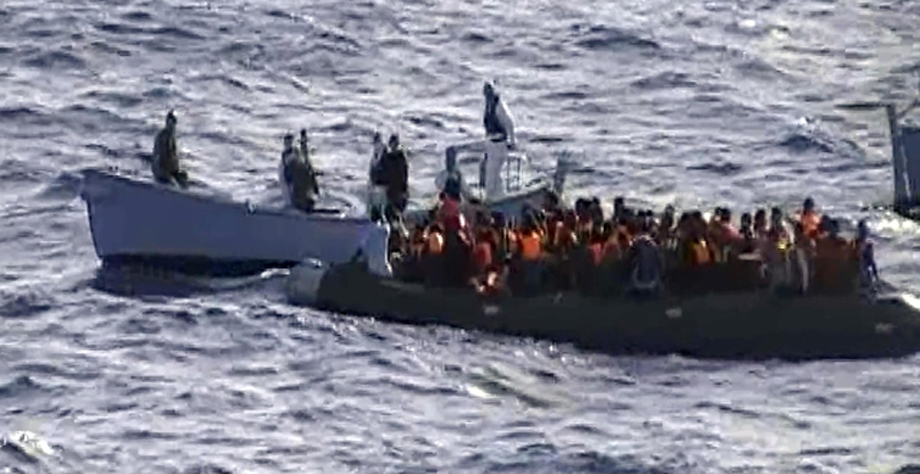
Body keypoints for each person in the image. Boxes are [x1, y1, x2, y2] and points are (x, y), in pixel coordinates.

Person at [481, 81, 516, 200]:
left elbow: (509, 122)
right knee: (494, 174)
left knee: (491, 176)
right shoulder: (488, 105)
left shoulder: (499, 106)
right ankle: (499, 196)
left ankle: (491, 198)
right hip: (491, 144)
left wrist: (512, 141)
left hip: (499, 144)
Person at [279, 133, 317, 212]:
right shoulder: (287, 159)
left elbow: (307, 166)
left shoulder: (297, 156)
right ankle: (301, 204)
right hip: (295, 197)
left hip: (302, 195)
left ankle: (305, 203)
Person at [152, 110, 188, 187]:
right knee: (172, 184)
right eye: (171, 122)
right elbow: (162, 155)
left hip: (170, 169)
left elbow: (173, 154)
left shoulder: (172, 137)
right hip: (161, 169)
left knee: (183, 177)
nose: (173, 125)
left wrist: (176, 169)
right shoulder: (163, 135)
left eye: (174, 122)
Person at [379, 134, 409, 215]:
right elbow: (381, 171)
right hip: (390, 188)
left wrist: (404, 188)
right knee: (390, 208)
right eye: (392, 144)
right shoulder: (386, 157)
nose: (394, 146)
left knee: (399, 207)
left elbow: (404, 173)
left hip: (398, 187)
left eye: (395, 144)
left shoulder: (400, 157)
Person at [367, 131, 388, 216]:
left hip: (382, 184)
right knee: (373, 203)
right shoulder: (375, 153)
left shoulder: (384, 153)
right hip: (374, 183)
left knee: (381, 204)